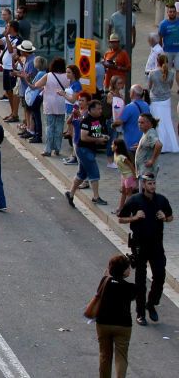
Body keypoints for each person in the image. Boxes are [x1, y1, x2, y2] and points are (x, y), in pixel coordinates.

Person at [117, 172, 172, 325]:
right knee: (140, 281)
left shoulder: (161, 200)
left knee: (160, 275)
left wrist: (165, 217)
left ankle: (151, 304)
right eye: (149, 183)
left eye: (154, 183)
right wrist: (134, 218)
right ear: (143, 184)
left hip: (156, 244)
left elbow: (171, 216)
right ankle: (140, 313)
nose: (152, 186)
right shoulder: (135, 200)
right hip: (140, 245)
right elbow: (121, 218)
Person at [93, 253, 136, 378]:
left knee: (104, 355)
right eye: (128, 268)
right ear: (124, 271)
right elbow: (138, 292)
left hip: (103, 323)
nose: (130, 270)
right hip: (123, 325)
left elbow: (100, 289)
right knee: (121, 356)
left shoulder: (104, 281)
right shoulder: (130, 288)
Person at [68, 100, 111, 207]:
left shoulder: (98, 119)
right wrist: (98, 140)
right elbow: (84, 137)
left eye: (101, 109)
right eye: (98, 109)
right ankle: (96, 197)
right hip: (83, 149)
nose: (101, 111)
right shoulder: (86, 120)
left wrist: (102, 137)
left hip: (90, 149)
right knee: (94, 172)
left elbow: (96, 134)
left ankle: (70, 193)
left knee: (82, 174)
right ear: (91, 110)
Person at [146, 53, 179, 153]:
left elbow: (149, 86)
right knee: (167, 122)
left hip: (155, 100)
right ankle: (169, 145)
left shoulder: (152, 73)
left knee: (157, 123)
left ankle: (158, 144)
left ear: (157, 61)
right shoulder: (171, 74)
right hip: (166, 100)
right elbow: (169, 86)